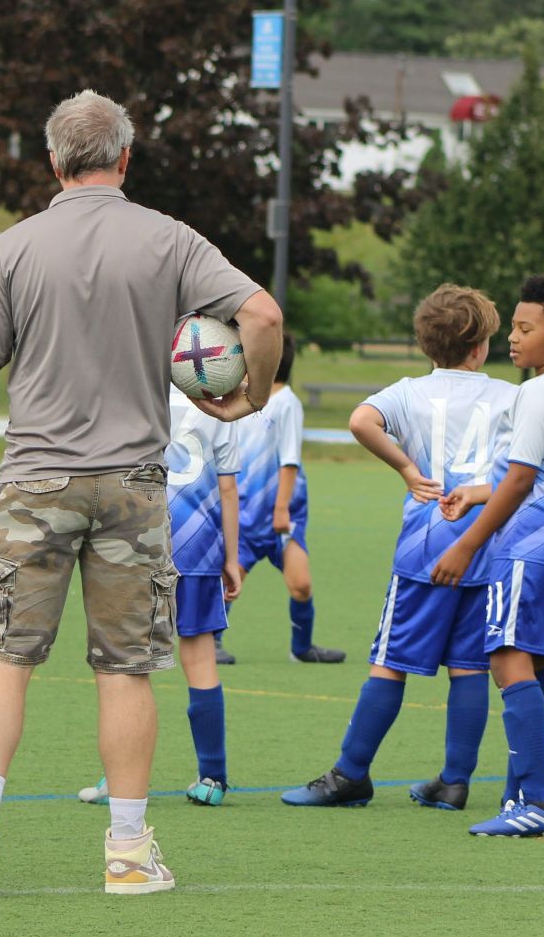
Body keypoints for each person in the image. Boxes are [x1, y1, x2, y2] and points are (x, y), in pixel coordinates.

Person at [0, 90, 282, 895]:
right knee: (126, 669)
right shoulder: (169, 239)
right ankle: (127, 852)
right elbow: (262, 310)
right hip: (134, 485)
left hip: (32, 481)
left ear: (52, 161)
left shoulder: (16, 245)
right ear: (126, 157)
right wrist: (251, 394)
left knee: (3, 660)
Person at [280, 285, 514, 811]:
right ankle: (454, 781)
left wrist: (409, 469)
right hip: (485, 544)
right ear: (480, 347)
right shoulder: (508, 396)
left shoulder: (408, 391)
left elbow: (361, 420)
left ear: (427, 346)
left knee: (390, 661)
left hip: (427, 548)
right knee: (470, 667)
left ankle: (350, 774)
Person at [432, 275, 544, 838]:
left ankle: (542, 804)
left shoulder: (537, 391)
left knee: (504, 658)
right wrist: (477, 492)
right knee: (532, 660)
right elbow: (537, 471)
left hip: (529, 544)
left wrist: (466, 543)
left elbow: (522, 478)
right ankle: (520, 792)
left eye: (527, 328)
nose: (513, 338)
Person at [80, 387, 245, 807]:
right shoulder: (222, 406)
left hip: (138, 539)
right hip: (201, 546)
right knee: (201, 658)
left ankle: (118, 780)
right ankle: (213, 777)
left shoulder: (136, 390)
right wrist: (231, 556)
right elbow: (227, 490)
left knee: (127, 663)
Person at [233, 334, 343, 664]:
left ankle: (302, 648)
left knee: (301, 585)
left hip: (282, 517)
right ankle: (213, 642)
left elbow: (289, 461)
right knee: (230, 582)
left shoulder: (287, 403)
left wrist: (281, 509)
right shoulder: (240, 401)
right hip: (245, 515)